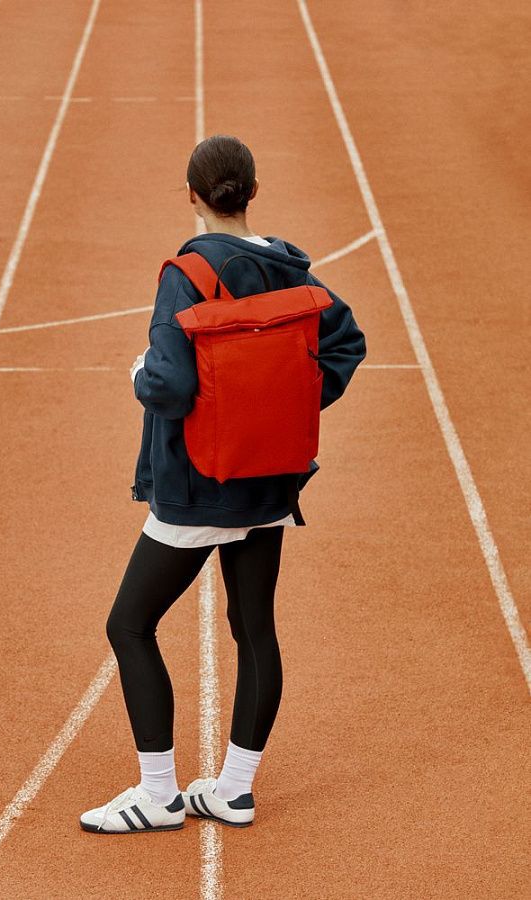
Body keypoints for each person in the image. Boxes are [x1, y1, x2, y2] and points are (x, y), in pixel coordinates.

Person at [79, 134, 366, 834]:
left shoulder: (186, 273)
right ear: (252, 192)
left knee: (129, 625)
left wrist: (138, 374)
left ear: (192, 195)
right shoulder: (292, 269)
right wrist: (282, 409)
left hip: (197, 486)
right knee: (253, 627)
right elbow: (345, 343)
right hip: (269, 481)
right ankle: (234, 790)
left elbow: (171, 385)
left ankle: (157, 794)